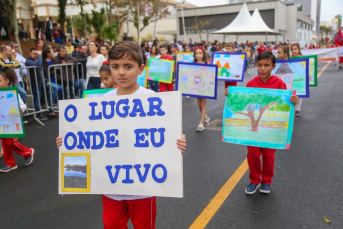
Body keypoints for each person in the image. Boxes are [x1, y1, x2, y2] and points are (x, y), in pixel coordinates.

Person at [56, 41, 186, 228]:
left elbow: (163, 135)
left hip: (143, 186)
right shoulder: (104, 100)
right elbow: (90, 136)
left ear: (141, 69)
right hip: (111, 187)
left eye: (128, 66)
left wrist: (178, 144)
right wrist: (68, 142)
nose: (121, 72)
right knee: (111, 225)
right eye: (115, 67)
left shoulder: (152, 99)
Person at [225, 51, 299, 194]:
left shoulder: (279, 83)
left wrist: (293, 101)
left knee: (269, 156)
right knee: (252, 154)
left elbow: (285, 103)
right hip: (252, 130)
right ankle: (254, 180)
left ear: (273, 66)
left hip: (270, 130)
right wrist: (231, 95)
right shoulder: (251, 83)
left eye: (266, 65)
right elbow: (243, 101)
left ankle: (266, 181)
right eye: (260, 65)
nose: (263, 69)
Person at [0, 67, 35, 172]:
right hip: (2, 122)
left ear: (7, 81)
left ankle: (28, 152)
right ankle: (10, 163)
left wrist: (20, 109)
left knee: (10, 142)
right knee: (5, 143)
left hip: (11, 121)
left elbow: (23, 106)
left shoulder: (13, 93)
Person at [25, 47, 48, 121]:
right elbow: (37, 64)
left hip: (41, 82)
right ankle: (39, 114)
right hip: (34, 83)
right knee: (37, 99)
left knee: (43, 97)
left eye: (37, 54)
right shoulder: (28, 61)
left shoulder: (38, 60)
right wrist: (40, 55)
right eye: (34, 54)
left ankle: (45, 110)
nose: (36, 55)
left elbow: (43, 68)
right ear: (30, 53)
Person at [193, 46, 210, 132]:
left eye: (200, 53)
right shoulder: (193, 65)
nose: (198, 55)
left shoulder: (207, 65)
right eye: (196, 53)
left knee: (203, 105)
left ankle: (201, 123)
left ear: (203, 54)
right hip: (197, 87)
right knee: (199, 105)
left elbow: (210, 76)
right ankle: (206, 117)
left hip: (205, 87)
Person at [42, 47, 61, 116]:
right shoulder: (43, 61)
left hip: (54, 80)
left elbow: (55, 69)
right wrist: (52, 70)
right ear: (48, 54)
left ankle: (55, 102)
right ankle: (51, 104)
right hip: (47, 81)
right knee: (55, 88)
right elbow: (46, 72)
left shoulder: (53, 60)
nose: (53, 53)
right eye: (52, 52)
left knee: (60, 88)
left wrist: (51, 70)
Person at [290, 43, 303, 117]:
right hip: (292, 78)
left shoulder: (302, 58)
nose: (294, 51)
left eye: (295, 49)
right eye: (292, 49)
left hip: (300, 78)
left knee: (300, 94)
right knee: (292, 94)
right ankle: (292, 109)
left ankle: (298, 110)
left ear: (298, 50)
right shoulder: (289, 59)